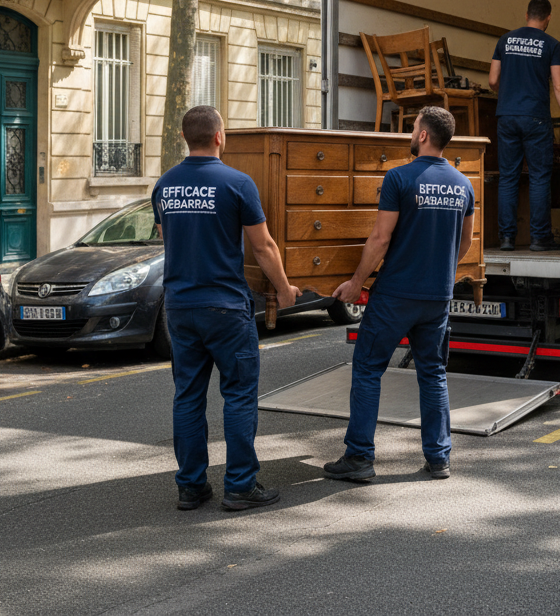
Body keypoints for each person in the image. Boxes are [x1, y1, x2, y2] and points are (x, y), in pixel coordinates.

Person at [152, 105, 302, 512]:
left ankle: (191, 487)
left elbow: (169, 238)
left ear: (185, 137)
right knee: (238, 395)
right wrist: (284, 289)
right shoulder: (238, 183)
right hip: (225, 307)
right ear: (220, 136)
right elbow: (263, 246)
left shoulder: (164, 186)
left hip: (180, 305)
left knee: (187, 396)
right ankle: (239, 485)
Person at [324, 106, 475, 482]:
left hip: (395, 294)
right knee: (433, 373)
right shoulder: (463, 184)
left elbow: (379, 238)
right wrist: (439, 272)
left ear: (423, 135)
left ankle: (359, 457)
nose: (410, 134)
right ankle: (438, 458)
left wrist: (357, 282)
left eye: (413, 128)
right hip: (437, 297)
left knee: (367, 369)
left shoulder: (399, 178)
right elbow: (465, 243)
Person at [489, 0, 560, 252]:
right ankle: (539, 238)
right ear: (548, 18)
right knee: (539, 177)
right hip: (536, 117)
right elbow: (558, 85)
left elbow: (492, 80)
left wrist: (508, 94)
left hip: (507, 116)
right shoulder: (552, 45)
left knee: (508, 178)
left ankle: (506, 238)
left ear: (527, 15)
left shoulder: (505, 40)